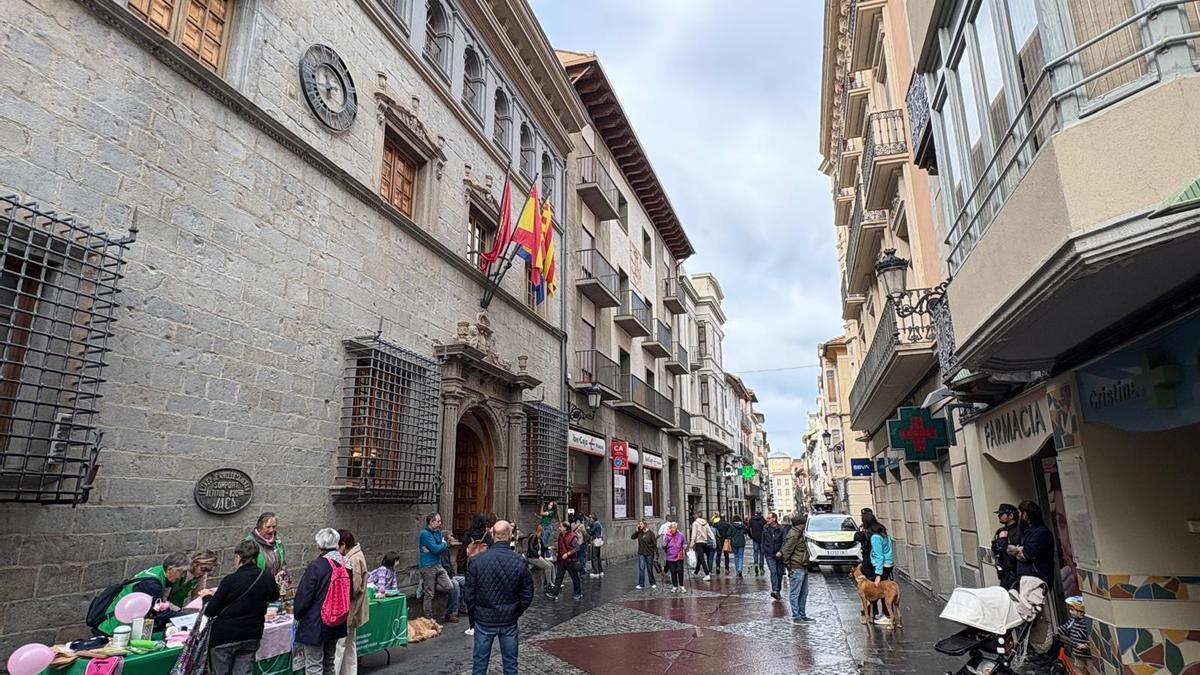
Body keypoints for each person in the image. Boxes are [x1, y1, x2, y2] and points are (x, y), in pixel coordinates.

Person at [462, 520, 533, 675]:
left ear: (493, 535)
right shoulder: (519, 561)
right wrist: (516, 610)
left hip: (484, 619)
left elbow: (469, 594)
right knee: (510, 664)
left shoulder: (476, 561)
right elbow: (527, 593)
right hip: (508, 619)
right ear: (510, 536)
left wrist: (476, 613)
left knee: (480, 663)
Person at [204, 540, 280, 675]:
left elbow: (210, 611)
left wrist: (207, 597)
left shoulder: (230, 580)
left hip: (225, 636)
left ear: (239, 558)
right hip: (251, 634)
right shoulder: (267, 577)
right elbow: (274, 597)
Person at [293, 528, 350, 675]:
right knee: (329, 663)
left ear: (320, 545)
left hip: (315, 622)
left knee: (314, 666)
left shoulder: (316, 566)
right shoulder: (345, 565)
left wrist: (298, 614)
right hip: (336, 621)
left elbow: (304, 596)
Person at [97, 552, 192, 635]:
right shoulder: (152, 584)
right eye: (182, 572)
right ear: (170, 569)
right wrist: (186, 617)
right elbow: (159, 613)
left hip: (121, 623)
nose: (182, 576)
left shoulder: (157, 571)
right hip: (114, 627)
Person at [1012, 501, 1057, 659]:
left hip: (1038, 581)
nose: (1020, 517)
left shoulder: (1040, 533)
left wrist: (1018, 551)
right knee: (1030, 615)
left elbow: (1026, 554)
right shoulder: (1028, 532)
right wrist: (1017, 549)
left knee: (1040, 616)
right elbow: (1014, 549)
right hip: (1028, 580)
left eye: (1022, 513)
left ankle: (1044, 647)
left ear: (1028, 514)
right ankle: (1033, 647)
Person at [334, 530, 368, 675]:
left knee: (340, 646)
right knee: (349, 644)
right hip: (354, 609)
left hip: (350, 609)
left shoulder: (352, 559)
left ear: (343, 544)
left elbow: (354, 587)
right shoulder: (356, 555)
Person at [417, 512, 460, 621]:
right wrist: (443, 543)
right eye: (438, 521)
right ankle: (429, 619)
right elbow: (436, 549)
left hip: (438, 564)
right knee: (429, 595)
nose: (440, 523)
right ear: (431, 522)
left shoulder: (437, 532)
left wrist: (441, 545)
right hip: (428, 566)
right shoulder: (424, 534)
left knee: (449, 586)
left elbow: (440, 548)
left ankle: (428, 585)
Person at [781, 513, 813, 623]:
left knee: (804, 593)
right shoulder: (793, 535)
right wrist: (789, 568)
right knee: (795, 593)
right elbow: (786, 552)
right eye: (804, 524)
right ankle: (796, 616)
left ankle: (802, 614)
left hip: (803, 566)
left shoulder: (800, 534)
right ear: (800, 525)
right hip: (796, 567)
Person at [868, 520, 895, 625]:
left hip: (881, 566)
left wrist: (878, 574)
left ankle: (887, 615)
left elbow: (879, 556)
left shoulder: (875, 538)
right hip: (888, 564)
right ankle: (886, 614)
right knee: (886, 590)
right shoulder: (885, 536)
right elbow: (888, 551)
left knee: (883, 591)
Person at [547, 520, 582, 601]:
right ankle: (555, 593)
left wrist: (568, 554)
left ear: (565, 528)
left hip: (570, 561)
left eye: (561, 526)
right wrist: (556, 549)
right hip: (561, 561)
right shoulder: (560, 535)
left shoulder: (572, 536)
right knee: (558, 577)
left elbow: (577, 548)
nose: (559, 528)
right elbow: (561, 546)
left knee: (575, 578)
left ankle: (578, 593)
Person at [990, 503, 1023, 589]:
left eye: (1001, 514)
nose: (999, 516)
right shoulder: (1001, 531)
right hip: (1004, 572)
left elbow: (1013, 551)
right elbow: (995, 549)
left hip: (1016, 571)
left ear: (1011, 515)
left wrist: (1003, 541)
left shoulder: (1019, 531)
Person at [246, 512, 286, 580]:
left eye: (274, 527)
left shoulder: (278, 542)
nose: (271, 530)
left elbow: (283, 562)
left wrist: (283, 572)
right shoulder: (249, 543)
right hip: (258, 584)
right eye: (268, 527)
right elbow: (245, 569)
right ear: (259, 527)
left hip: (274, 585)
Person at [761, 512, 786, 600]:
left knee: (779, 573)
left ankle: (778, 590)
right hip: (769, 554)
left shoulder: (781, 529)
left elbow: (784, 541)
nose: (767, 519)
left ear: (774, 519)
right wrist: (763, 550)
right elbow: (763, 540)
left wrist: (781, 551)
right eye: (767, 518)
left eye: (769, 518)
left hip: (779, 554)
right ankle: (775, 590)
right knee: (773, 571)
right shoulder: (765, 528)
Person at [525, 525, 555, 593]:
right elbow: (531, 549)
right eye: (539, 532)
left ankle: (554, 581)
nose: (540, 533)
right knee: (547, 566)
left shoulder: (540, 539)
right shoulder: (533, 537)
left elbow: (543, 547)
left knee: (551, 565)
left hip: (539, 557)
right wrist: (538, 556)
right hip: (532, 557)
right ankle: (549, 584)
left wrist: (549, 548)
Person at [631, 519, 658, 590]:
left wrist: (656, 554)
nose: (640, 525)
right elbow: (632, 537)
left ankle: (652, 582)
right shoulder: (639, 532)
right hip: (641, 553)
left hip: (649, 553)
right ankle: (641, 584)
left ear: (645, 525)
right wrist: (636, 530)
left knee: (649, 569)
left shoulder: (650, 533)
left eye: (641, 524)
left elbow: (654, 544)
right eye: (639, 524)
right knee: (641, 568)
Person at [662, 522, 687, 592]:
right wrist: (665, 542)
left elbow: (685, 543)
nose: (672, 529)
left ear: (676, 528)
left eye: (674, 527)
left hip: (679, 556)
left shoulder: (681, 535)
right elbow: (664, 546)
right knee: (673, 571)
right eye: (671, 527)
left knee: (680, 570)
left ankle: (681, 586)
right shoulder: (667, 536)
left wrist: (684, 547)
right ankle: (675, 586)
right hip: (670, 556)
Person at [689, 516, 712, 580]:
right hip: (705, 542)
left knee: (701, 558)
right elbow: (710, 532)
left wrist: (691, 544)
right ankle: (696, 572)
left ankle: (707, 574)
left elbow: (694, 534)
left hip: (698, 542)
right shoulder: (706, 523)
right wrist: (713, 539)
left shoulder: (695, 523)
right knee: (700, 558)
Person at [728, 515, 748, 579]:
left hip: (734, 543)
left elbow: (728, 533)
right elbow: (746, 531)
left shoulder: (732, 526)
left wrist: (732, 535)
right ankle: (740, 570)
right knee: (741, 557)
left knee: (736, 557)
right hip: (742, 543)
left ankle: (737, 571)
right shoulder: (742, 526)